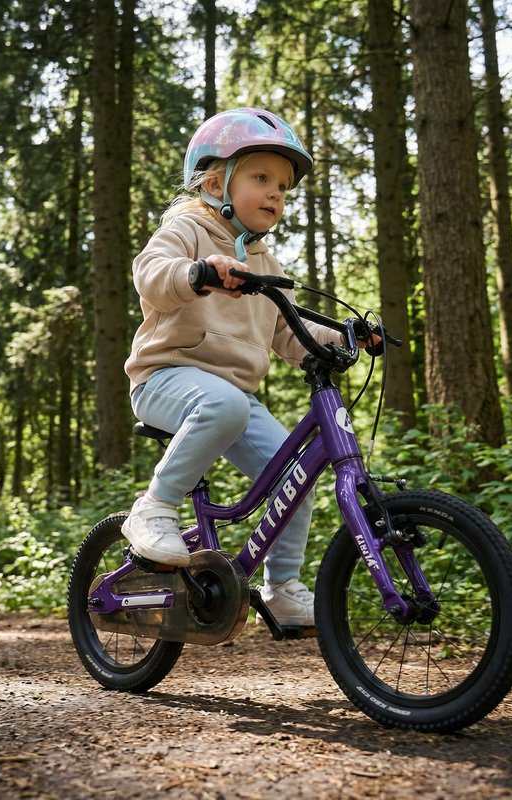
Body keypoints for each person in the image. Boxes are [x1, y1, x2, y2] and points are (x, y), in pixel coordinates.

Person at [122, 107, 341, 627]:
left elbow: (290, 333)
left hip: (233, 401)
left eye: (283, 187)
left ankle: (282, 586)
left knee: (296, 477)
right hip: (164, 378)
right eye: (261, 178)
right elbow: (151, 274)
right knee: (220, 403)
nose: (275, 194)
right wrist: (198, 273)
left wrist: (345, 336)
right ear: (217, 181)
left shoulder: (265, 262)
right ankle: (153, 507)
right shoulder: (186, 230)